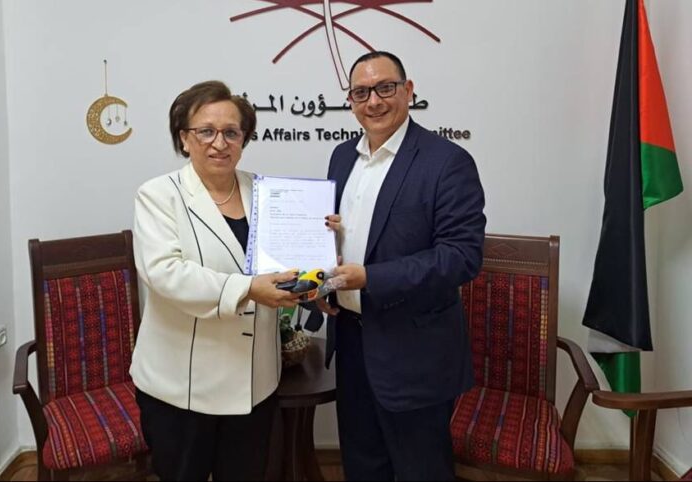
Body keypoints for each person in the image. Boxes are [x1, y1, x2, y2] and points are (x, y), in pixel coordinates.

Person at [130, 80, 317, 481]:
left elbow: (284, 266)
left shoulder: (265, 191)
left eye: (231, 132)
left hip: (254, 381)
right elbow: (165, 273)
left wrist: (318, 247)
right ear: (184, 139)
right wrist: (248, 288)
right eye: (206, 131)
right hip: (182, 387)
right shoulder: (158, 195)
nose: (220, 143)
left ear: (244, 139)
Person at [320, 52, 486, 480]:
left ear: (408, 91)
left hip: (415, 352)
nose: (373, 101)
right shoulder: (342, 156)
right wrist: (322, 283)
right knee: (362, 464)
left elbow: (461, 256)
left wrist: (369, 278)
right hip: (352, 342)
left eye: (385, 88)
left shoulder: (446, 162)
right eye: (361, 92)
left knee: (420, 470)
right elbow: (343, 240)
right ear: (350, 101)